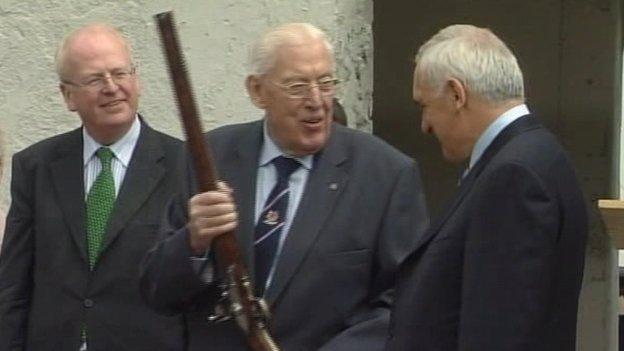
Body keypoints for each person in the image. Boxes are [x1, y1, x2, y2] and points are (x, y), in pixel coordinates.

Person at [141, 22, 428, 350]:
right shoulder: (209, 157)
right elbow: (156, 291)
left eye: (326, 83)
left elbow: (406, 303)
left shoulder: (385, 173)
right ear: (257, 91)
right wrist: (193, 241)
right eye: (297, 86)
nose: (317, 101)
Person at [385, 24, 588, 351]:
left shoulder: (514, 177)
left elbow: (499, 331)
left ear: (456, 94)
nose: (425, 125)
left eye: (424, 105)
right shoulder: (534, 156)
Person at [0, 24, 184, 351]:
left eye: (120, 73)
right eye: (95, 79)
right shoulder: (36, 167)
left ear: (137, 80)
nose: (112, 88)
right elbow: (14, 284)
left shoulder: (184, 167)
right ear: (68, 95)